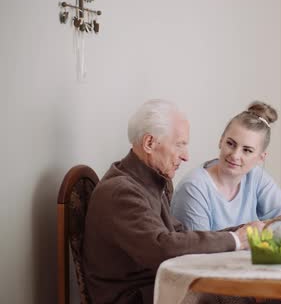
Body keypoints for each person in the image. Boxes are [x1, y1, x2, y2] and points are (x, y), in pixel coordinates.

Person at [83, 99, 263, 304]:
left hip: (157, 288)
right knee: (248, 297)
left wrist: (243, 231)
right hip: (135, 297)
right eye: (180, 145)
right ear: (149, 143)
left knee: (256, 294)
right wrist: (236, 240)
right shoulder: (121, 192)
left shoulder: (150, 181)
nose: (186, 156)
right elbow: (164, 248)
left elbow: (179, 235)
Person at [171, 101, 281, 232]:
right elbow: (198, 248)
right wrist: (261, 231)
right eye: (231, 144)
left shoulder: (255, 176)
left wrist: (262, 230)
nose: (235, 155)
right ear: (221, 141)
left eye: (247, 150)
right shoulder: (194, 188)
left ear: (260, 158)